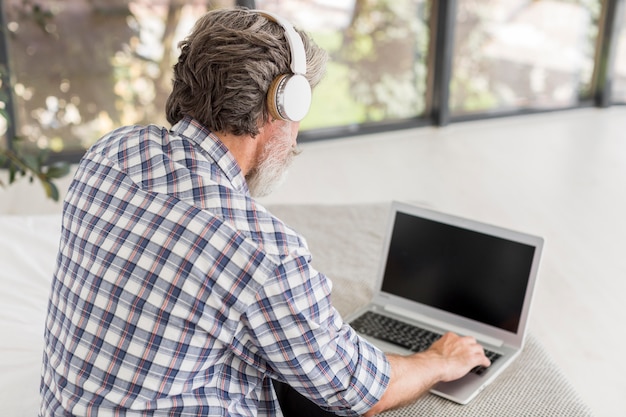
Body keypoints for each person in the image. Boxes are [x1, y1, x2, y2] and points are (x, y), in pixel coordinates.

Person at [39, 7, 489, 417]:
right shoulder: (262, 252)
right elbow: (362, 391)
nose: (295, 139)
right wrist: (436, 360)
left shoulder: (111, 152)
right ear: (282, 104)